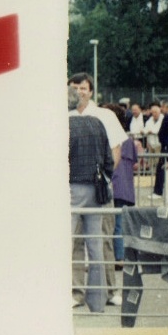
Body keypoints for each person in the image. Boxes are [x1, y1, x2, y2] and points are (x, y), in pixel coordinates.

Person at [68, 79, 115, 313]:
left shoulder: (63, 125)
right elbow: (109, 160)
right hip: (96, 190)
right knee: (95, 246)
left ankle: (70, 293)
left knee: (68, 243)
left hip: (71, 188)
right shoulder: (97, 123)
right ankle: (97, 302)